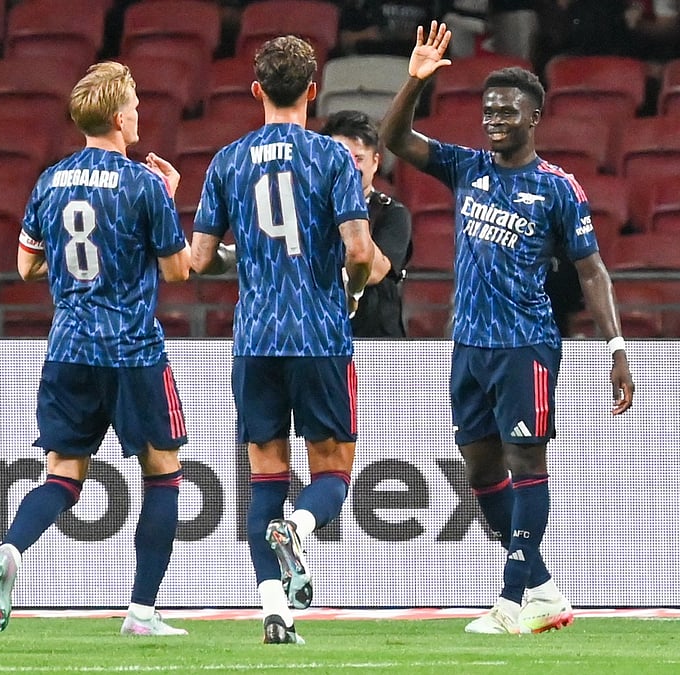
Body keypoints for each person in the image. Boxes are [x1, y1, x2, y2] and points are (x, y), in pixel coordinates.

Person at [379, 21, 634, 634]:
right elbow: (394, 139)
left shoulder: (557, 189)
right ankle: (542, 588)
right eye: (488, 109)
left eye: (506, 111)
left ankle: (511, 601)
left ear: (534, 117)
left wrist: (616, 347)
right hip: (469, 344)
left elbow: (592, 271)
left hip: (525, 345)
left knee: (525, 461)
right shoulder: (466, 167)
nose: (493, 119)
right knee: (480, 471)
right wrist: (414, 82)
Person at [0, 61, 193, 637]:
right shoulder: (143, 184)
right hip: (132, 351)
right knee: (163, 475)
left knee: (62, 476)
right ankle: (141, 613)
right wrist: (167, 200)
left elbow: (25, 266)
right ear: (120, 118)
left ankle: (12, 549)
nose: (140, 115)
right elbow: (177, 270)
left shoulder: (50, 181)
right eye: (136, 107)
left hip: (68, 348)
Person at [190, 36, 375, 644]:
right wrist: (350, 292)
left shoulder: (227, 160)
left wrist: (247, 255)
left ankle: (275, 611)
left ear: (256, 91)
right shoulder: (333, 157)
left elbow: (200, 259)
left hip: (255, 339)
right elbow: (358, 251)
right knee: (333, 475)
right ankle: (300, 526)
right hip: (318, 334)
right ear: (313, 91)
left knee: (265, 478)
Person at [321, 110, 412, 338]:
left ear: (375, 162)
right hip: (323, 340)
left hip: (379, 345)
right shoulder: (311, 213)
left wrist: (349, 204)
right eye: (340, 158)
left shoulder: (393, 214)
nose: (349, 168)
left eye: (358, 159)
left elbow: (373, 271)